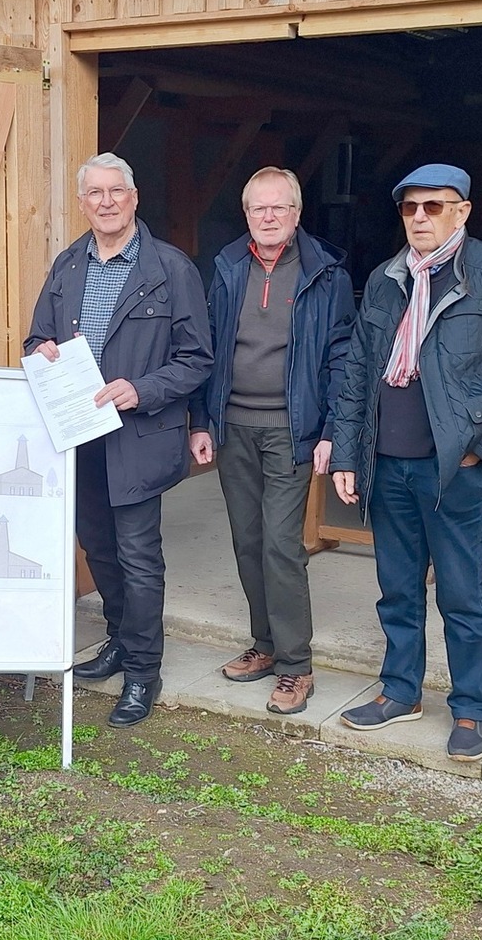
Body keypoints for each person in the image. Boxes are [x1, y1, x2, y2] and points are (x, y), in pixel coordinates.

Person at [329, 163, 482, 762]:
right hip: (389, 464)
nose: (420, 217)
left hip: (454, 468)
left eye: (435, 206)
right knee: (397, 590)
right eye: (410, 208)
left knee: (461, 594)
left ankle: (471, 710)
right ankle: (400, 692)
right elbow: (357, 372)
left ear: (463, 211)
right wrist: (348, 449)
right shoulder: (384, 279)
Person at [25, 153, 212, 728]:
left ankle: (142, 671)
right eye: (95, 194)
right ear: (83, 203)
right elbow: (35, 339)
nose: (105, 202)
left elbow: (198, 358)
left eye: (116, 192)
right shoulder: (67, 265)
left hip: (139, 435)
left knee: (137, 555)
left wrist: (144, 389)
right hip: (80, 437)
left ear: (134, 198)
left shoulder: (170, 268)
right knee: (99, 548)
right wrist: (42, 352)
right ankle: (118, 638)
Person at [189, 167, 355, 715]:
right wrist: (200, 420)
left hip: (291, 429)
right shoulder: (227, 266)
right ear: (246, 214)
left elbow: (340, 356)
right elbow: (204, 346)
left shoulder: (325, 272)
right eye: (259, 208)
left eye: (279, 208)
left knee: (283, 545)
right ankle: (264, 645)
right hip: (234, 425)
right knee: (247, 541)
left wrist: (332, 430)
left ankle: (295, 666)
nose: (268, 217)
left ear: (297, 213)